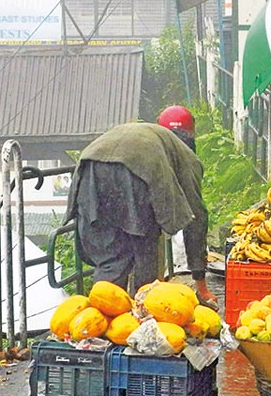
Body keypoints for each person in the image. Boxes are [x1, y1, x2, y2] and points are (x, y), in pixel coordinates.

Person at [66, 106, 216, 308]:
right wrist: (202, 286)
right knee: (144, 246)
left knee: (111, 259)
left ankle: (101, 319)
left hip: (89, 165)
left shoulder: (148, 134)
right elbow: (196, 217)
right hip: (133, 171)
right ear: (191, 136)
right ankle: (145, 313)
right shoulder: (185, 155)